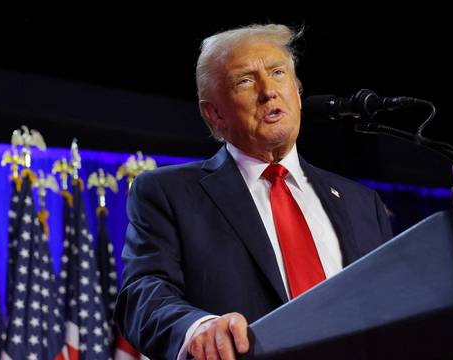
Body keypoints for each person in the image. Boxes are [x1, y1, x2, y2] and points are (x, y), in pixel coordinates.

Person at [114, 23, 393, 360]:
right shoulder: (167, 193)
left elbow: (390, 304)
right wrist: (198, 329)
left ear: (297, 92)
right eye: (245, 80)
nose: (268, 91)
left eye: (277, 73)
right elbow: (143, 293)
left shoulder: (361, 203)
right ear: (214, 113)